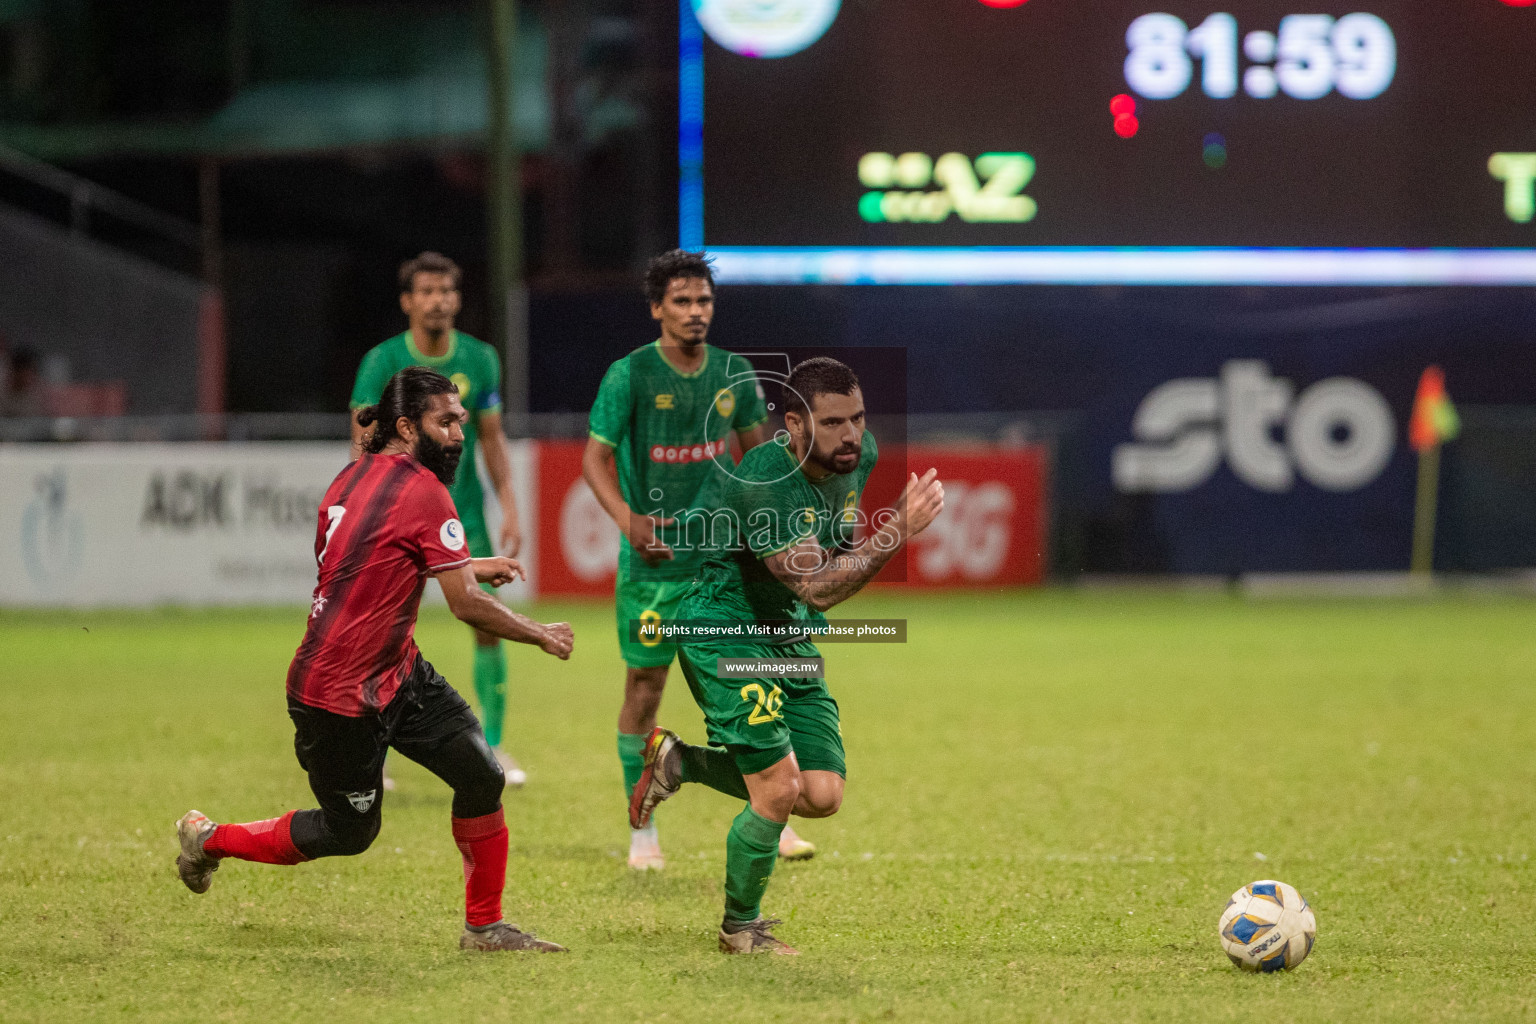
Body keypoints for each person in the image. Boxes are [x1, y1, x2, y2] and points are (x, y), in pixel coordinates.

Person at [176, 366, 574, 953]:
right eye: (446, 422)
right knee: (350, 830)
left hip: (397, 672)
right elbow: (464, 607)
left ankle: (484, 928)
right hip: (336, 696)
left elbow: (364, 560)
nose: (460, 433)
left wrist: (465, 563)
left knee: (481, 776)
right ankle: (208, 840)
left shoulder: (347, 479)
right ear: (408, 427)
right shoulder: (423, 489)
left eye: (462, 420)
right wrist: (539, 632)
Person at [628, 357, 945, 954]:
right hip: (723, 627)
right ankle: (739, 928)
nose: (850, 435)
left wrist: (859, 548)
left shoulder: (860, 455)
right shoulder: (766, 477)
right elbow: (817, 584)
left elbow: (834, 552)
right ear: (795, 425)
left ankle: (682, 763)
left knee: (821, 794)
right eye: (832, 423)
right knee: (776, 789)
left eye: (857, 418)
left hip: (786, 631)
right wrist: (896, 530)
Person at [580, 249, 814, 870]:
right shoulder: (629, 374)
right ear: (657, 308)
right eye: (681, 301)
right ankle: (643, 832)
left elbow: (760, 465)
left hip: (721, 564)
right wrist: (627, 518)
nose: (694, 312)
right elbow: (594, 460)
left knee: (753, 681)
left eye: (704, 300)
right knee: (645, 687)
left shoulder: (735, 374)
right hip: (654, 568)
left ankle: (777, 808)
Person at [351, 253, 527, 789]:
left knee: (484, 620)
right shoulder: (382, 361)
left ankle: (492, 745)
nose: (437, 300)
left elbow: (492, 437)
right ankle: (367, 753)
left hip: (462, 513)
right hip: (393, 513)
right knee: (376, 628)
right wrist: (370, 507)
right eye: (425, 290)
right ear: (408, 301)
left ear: (456, 297)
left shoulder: (480, 358)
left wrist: (511, 505)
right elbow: (364, 443)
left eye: (445, 290)